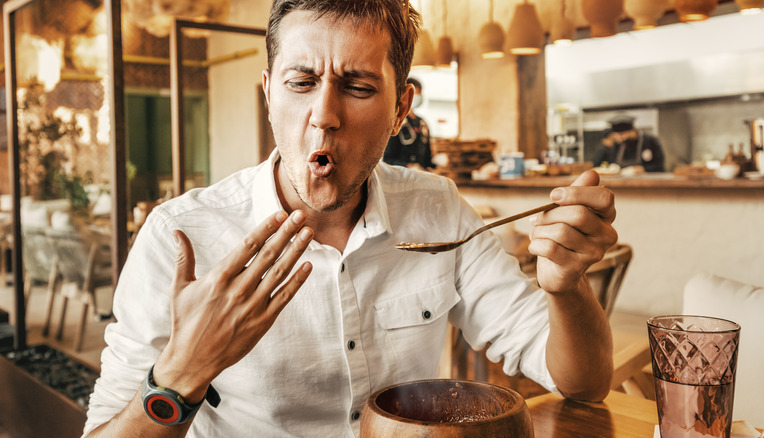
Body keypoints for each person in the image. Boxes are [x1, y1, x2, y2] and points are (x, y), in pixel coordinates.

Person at [84, 1, 617, 436]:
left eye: (358, 87)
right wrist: (181, 374)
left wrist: (566, 288)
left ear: (400, 108)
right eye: (301, 83)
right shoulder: (181, 237)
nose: (325, 116)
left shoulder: (439, 209)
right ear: (268, 93)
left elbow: (584, 384)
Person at [382, 77, 434, 170]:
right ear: (406, 95)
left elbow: (427, 157)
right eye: (417, 93)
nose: (420, 96)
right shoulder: (396, 122)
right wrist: (409, 166)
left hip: (420, 177)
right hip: (399, 178)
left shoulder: (423, 124)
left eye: (420, 93)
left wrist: (434, 164)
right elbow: (388, 159)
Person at [592, 114, 665, 172]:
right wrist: (608, 167)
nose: (620, 138)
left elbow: (659, 166)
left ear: (632, 131)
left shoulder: (650, 141)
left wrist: (643, 169)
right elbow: (607, 162)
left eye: (622, 134)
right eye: (617, 135)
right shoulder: (619, 144)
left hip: (649, 184)